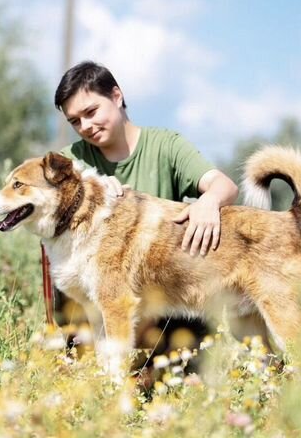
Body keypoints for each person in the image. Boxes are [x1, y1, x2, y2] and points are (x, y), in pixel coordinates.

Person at [47, 60, 239, 356]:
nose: (85, 126)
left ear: (116, 96)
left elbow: (224, 185)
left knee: (185, 381)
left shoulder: (167, 145)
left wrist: (209, 202)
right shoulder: (70, 163)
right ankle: (79, 355)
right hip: (97, 301)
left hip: (164, 295)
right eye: (75, 121)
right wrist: (94, 189)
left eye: (91, 112)